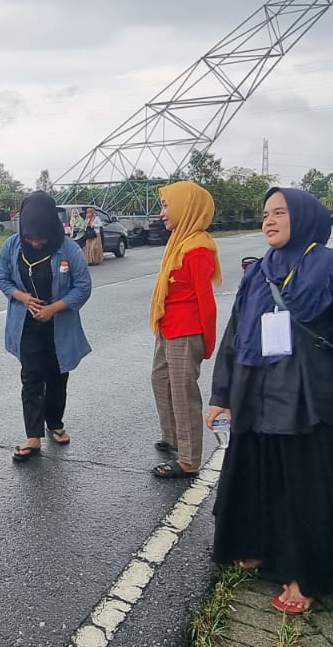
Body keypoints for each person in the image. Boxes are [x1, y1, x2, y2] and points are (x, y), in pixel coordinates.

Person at [208, 187, 333, 614]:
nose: (269, 221)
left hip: (305, 394)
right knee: (256, 475)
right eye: (265, 214)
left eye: (280, 213)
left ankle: (305, 573)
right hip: (253, 390)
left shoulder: (332, 268)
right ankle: (256, 545)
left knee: (303, 487)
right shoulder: (257, 271)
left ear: (305, 217)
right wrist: (221, 395)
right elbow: (235, 336)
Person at [0, 192, 93, 462]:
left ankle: (55, 422)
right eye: (30, 237)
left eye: (41, 237)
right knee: (31, 377)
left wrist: (54, 308)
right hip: (26, 324)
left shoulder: (69, 249)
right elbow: (1, 276)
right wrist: (22, 297)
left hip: (58, 326)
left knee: (57, 375)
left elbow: (83, 288)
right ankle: (33, 435)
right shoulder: (12, 246)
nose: (35, 242)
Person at [149, 181, 220, 479]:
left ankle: (189, 459)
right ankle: (173, 436)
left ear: (186, 207)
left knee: (182, 391)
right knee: (160, 379)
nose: (163, 212)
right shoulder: (179, 240)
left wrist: (208, 341)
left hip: (186, 330)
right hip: (168, 326)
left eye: (167, 205)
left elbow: (207, 301)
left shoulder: (197, 248)